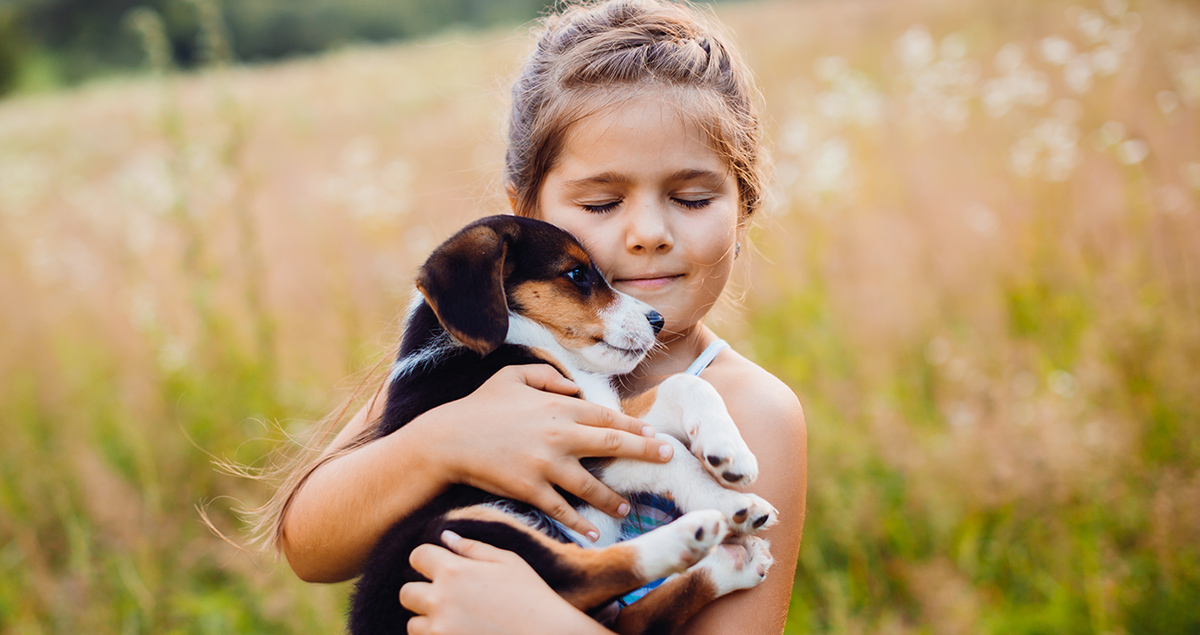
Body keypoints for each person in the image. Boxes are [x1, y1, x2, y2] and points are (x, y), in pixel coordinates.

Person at [253, 1, 807, 633]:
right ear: (526, 218)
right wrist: (442, 444)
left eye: (692, 198)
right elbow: (310, 547)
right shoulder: (474, 361)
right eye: (601, 203)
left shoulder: (753, 413)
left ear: (743, 208)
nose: (649, 233)